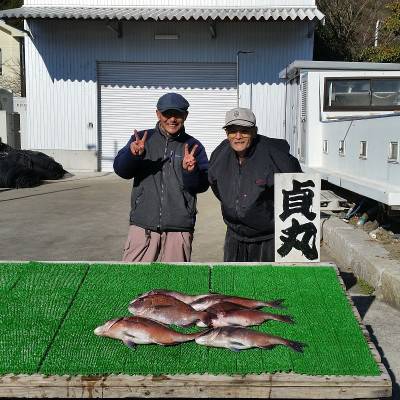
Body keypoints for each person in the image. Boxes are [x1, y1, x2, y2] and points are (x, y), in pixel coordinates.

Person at [114, 92, 209, 262]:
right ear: (158, 114)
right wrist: (133, 155)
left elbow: (202, 185)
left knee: (175, 285)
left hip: (179, 227)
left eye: (178, 114)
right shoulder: (142, 139)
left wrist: (190, 172)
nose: (172, 119)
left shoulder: (194, 146)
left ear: (185, 116)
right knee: (132, 280)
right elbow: (122, 171)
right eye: (167, 114)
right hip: (142, 225)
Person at [208, 107, 302, 262]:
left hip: (267, 239)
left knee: (264, 285)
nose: (238, 136)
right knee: (233, 284)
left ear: (254, 131)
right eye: (232, 131)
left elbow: (298, 190)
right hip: (234, 237)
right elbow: (215, 185)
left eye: (244, 131)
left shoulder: (276, 156)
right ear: (227, 133)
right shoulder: (219, 154)